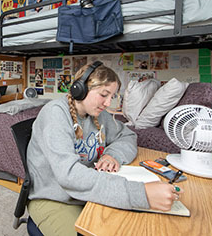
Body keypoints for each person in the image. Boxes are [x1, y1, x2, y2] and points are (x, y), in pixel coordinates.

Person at [27, 61, 183, 236]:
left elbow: (128, 136)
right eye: (104, 94)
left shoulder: (98, 114)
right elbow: (69, 175)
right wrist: (142, 194)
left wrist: (112, 155)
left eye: (112, 96)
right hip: (54, 198)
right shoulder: (55, 114)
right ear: (82, 88)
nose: (108, 102)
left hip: (84, 191)